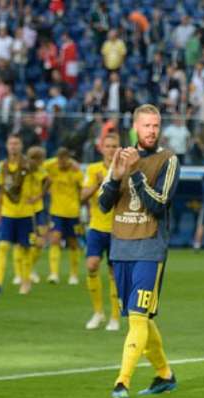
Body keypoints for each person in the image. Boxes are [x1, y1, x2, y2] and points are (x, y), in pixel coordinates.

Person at [99, 104, 179, 398]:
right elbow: (103, 205)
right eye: (146, 126)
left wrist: (133, 174)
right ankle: (164, 374)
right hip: (120, 247)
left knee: (136, 316)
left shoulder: (168, 160)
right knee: (141, 317)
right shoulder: (120, 158)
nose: (152, 131)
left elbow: (158, 204)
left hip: (150, 247)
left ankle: (122, 381)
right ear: (136, 127)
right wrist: (117, 176)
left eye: (156, 126)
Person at [81, 132, 122, 331]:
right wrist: (98, 183)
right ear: (102, 148)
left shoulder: (125, 170)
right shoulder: (92, 169)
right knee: (91, 265)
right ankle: (98, 312)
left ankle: (115, 317)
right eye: (108, 146)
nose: (111, 149)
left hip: (117, 229)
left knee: (114, 273)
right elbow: (82, 196)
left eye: (115, 146)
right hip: (97, 226)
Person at [0, 134, 33, 295]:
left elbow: (46, 178)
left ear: (21, 146)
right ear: (7, 146)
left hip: (25, 213)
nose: (13, 146)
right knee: (3, 246)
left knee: (24, 249)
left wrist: (38, 197)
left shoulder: (28, 165)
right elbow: (1, 190)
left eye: (16, 143)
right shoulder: (4, 166)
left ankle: (26, 282)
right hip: (8, 213)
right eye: (11, 143)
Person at [44, 147, 83, 285]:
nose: (61, 162)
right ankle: (54, 273)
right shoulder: (52, 167)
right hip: (57, 211)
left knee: (73, 243)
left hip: (73, 212)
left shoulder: (76, 171)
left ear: (68, 159)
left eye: (64, 159)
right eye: (59, 159)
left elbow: (81, 190)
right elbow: (42, 165)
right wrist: (59, 160)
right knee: (55, 239)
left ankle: (74, 274)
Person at [24, 146, 49, 285]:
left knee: (40, 243)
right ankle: (24, 272)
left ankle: (30, 269)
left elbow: (48, 180)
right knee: (28, 244)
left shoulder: (41, 170)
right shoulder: (23, 170)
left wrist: (39, 196)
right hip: (25, 211)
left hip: (38, 210)